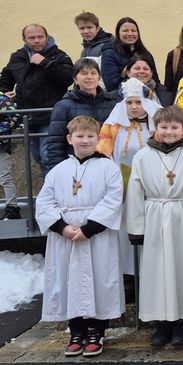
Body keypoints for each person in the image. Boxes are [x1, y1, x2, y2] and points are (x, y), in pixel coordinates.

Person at [125, 106, 183, 347]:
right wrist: (137, 228)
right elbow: (135, 192)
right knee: (155, 271)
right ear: (155, 129)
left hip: (182, 215)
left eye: (174, 127)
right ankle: (162, 323)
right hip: (153, 215)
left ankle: (182, 322)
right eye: (163, 127)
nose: (169, 132)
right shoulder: (143, 156)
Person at [35, 115, 124, 358]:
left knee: (100, 280)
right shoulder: (58, 171)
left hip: (96, 236)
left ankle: (96, 332)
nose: (85, 140)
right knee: (69, 281)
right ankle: (76, 332)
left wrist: (89, 229)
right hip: (66, 237)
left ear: (98, 139)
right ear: (69, 138)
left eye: (90, 136)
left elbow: (113, 200)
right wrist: (61, 227)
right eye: (80, 136)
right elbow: (44, 202)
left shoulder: (108, 168)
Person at [96, 78, 162, 275]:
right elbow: (103, 154)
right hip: (122, 182)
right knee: (125, 227)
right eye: (129, 102)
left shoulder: (156, 126)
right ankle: (127, 272)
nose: (134, 107)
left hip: (151, 183)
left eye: (138, 102)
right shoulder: (113, 126)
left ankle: (149, 271)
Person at [0, 24, 74, 173]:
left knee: (48, 157)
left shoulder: (59, 56)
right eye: (32, 38)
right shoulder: (18, 56)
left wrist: (45, 63)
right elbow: (6, 77)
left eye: (40, 37)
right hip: (27, 117)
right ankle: (49, 184)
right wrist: (5, 92)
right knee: (38, 157)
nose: (37, 40)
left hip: (51, 116)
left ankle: (51, 188)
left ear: (47, 37)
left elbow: (68, 78)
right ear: (24, 40)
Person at [43, 58, 118, 173]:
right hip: (76, 166)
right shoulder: (63, 106)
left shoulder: (112, 104)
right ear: (75, 79)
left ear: (99, 77)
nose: (89, 77)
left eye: (93, 73)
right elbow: (55, 143)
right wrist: (57, 171)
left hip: (107, 166)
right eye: (84, 73)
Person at [101, 17, 159, 92]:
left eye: (133, 31)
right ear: (118, 33)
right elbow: (112, 86)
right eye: (125, 31)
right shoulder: (109, 53)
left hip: (149, 95)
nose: (130, 34)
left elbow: (156, 81)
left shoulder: (145, 53)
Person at [0, 96, 20, 219]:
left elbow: (14, 118)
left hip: (1, 145)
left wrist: (3, 128)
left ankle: (12, 209)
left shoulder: (3, 99)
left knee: (5, 177)